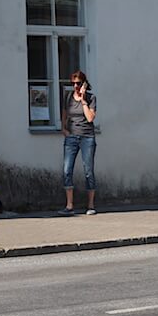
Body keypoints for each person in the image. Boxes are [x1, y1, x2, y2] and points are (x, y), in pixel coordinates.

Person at [59, 70, 97, 215]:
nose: (75, 86)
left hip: (87, 137)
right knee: (67, 170)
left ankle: (91, 205)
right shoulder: (68, 97)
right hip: (71, 137)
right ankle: (69, 205)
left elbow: (90, 118)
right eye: (73, 83)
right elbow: (64, 113)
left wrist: (83, 100)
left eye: (78, 83)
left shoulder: (91, 98)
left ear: (84, 84)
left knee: (88, 171)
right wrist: (64, 129)